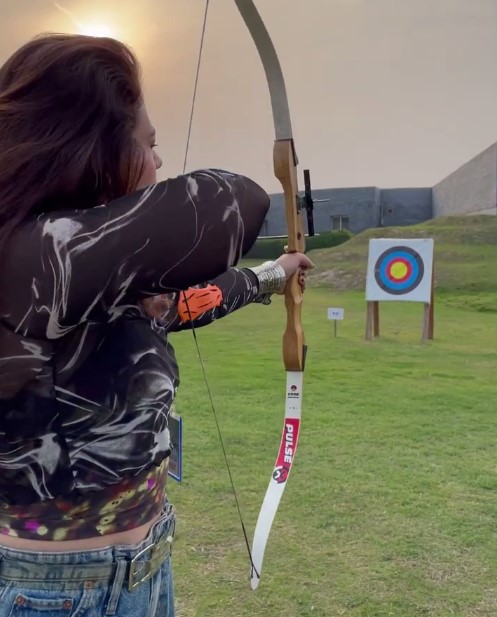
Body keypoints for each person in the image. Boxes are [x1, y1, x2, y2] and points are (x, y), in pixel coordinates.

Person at [0, 33, 313, 616]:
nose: (161, 162)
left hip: (139, 566)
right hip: (59, 591)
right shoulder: (36, 255)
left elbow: (185, 304)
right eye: (150, 144)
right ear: (96, 148)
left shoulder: (98, 274)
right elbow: (234, 201)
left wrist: (272, 275)